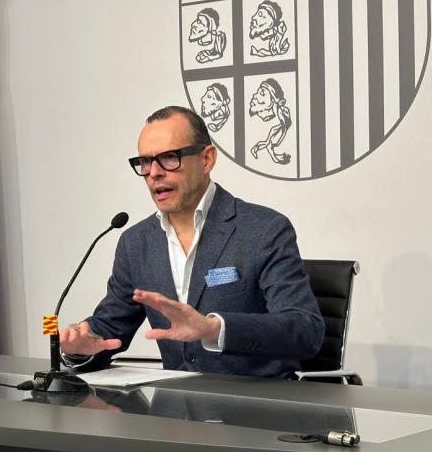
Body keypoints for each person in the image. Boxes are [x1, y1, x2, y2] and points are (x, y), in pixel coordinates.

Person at [59, 106, 323, 378]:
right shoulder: (136, 243)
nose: (154, 173)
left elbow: (305, 329)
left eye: (169, 158)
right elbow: (109, 329)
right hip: (176, 410)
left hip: (257, 408)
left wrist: (214, 329)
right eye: (146, 162)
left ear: (207, 159)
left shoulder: (264, 229)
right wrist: (79, 347)